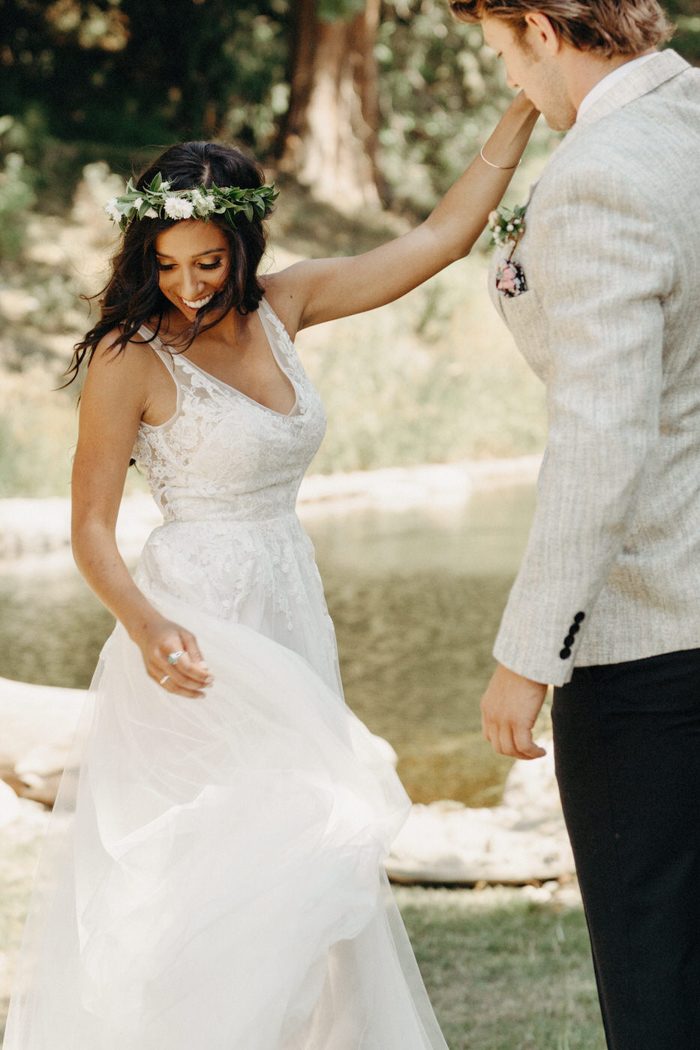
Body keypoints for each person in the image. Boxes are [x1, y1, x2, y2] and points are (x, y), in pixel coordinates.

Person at [2, 91, 537, 1048]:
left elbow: (443, 238)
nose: (190, 285)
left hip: (287, 599)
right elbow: (89, 528)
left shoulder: (288, 304)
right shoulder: (130, 357)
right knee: (254, 858)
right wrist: (145, 622)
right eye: (167, 265)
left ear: (245, 248)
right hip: (193, 630)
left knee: (305, 870)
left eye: (209, 262)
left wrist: (524, 109)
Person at [448, 1, 700, 1047]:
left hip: (650, 649)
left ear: (541, 30)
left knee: (656, 979)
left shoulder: (598, 176)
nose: (513, 80)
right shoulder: (685, 117)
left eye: (504, 50)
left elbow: (603, 434)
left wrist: (525, 652)